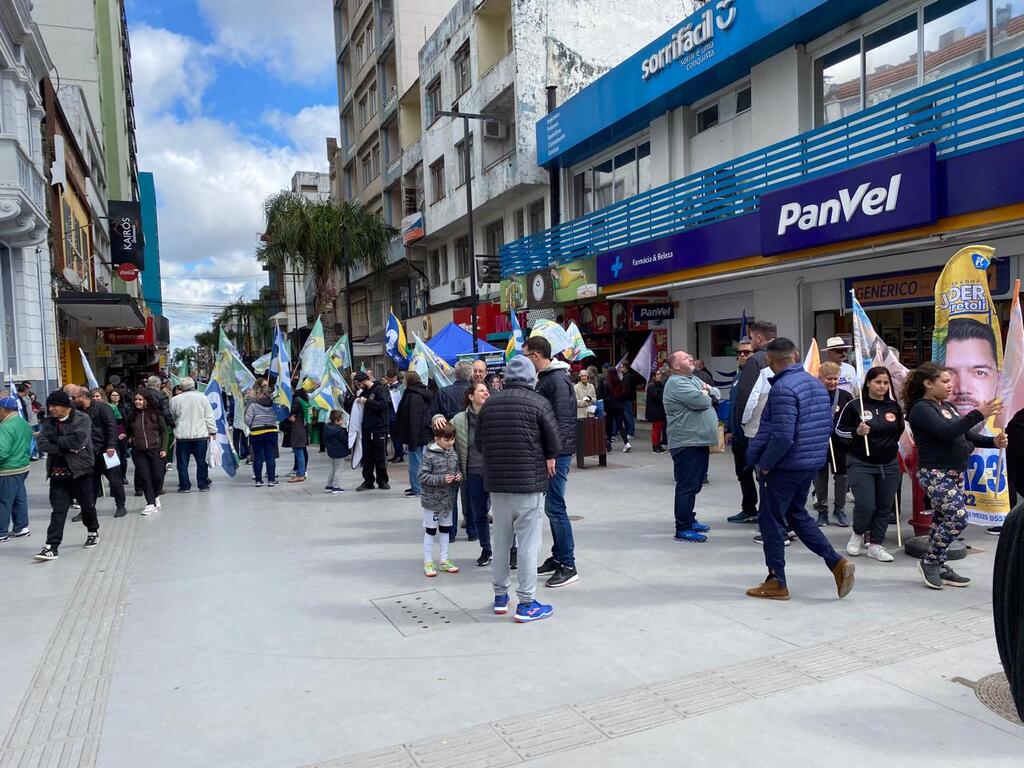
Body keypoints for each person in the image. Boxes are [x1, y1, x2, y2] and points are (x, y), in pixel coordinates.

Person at [745, 338, 856, 601]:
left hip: (785, 466)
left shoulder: (783, 389)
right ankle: (835, 562)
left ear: (770, 361)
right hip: (807, 464)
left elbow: (782, 435)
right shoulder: (816, 386)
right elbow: (824, 428)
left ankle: (776, 581)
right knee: (797, 515)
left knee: (771, 521)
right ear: (795, 356)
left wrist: (766, 465)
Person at [904, 362, 1006, 589]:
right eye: (945, 381)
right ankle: (930, 561)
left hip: (955, 473)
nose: (950, 386)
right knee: (958, 517)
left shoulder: (947, 407)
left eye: (950, 381)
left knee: (940, 520)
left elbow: (966, 436)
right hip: (935, 473)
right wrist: (978, 413)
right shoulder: (921, 409)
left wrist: (993, 442)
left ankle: (939, 564)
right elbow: (947, 432)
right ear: (928, 384)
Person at [476, 356, 560, 622]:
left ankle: (501, 597)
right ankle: (527, 603)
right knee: (527, 544)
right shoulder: (539, 403)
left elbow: (479, 443)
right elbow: (555, 444)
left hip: (497, 486)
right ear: (530, 377)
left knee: (500, 542)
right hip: (529, 485)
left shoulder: (489, 405)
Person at [524, 336, 579, 589]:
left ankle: (568, 565)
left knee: (556, 508)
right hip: (553, 452)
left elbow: (562, 421)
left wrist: (552, 454)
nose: (524, 360)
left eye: (526, 355)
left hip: (557, 454)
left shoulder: (555, 380)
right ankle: (558, 557)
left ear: (536, 355)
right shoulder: (548, 378)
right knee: (552, 507)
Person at [836, 366, 903, 562]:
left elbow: (898, 431)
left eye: (885, 383)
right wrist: (857, 432)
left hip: (889, 464)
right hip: (861, 462)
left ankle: (876, 544)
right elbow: (839, 430)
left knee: (884, 506)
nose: (882, 386)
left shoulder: (894, 407)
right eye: (877, 382)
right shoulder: (856, 406)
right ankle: (858, 533)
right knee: (866, 505)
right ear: (868, 383)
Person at [33, 391, 98, 561]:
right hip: (57, 473)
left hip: (80, 471)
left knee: (87, 506)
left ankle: (93, 531)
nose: (51, 409)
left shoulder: (82, 419)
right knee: (58, 510)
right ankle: (51, 546)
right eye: (49, 406)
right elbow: (42, 444)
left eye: (55, 406)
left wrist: (56, 440)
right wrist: (65, 447)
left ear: (66, 406)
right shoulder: (49, 423)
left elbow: (78, 442)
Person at [663, 351, 720, 543]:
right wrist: (706, 392)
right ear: (676, 366)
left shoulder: (691, 379)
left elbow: (717, 393)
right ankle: (683, 528)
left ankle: (689, 518)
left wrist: (707, 391)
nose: (690, 358)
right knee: (687, 486)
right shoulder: (676, 383)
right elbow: (704, 400)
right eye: (685, 358)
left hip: (698, 441)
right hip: (686, 442)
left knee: (695, 484)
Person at [731, 322, 778, 523]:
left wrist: (741, 425)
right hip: (776, 428)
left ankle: (771, 520)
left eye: (751, 338)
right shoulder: (785, 358)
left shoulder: (757, 361)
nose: (744, 355)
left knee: (764, 477)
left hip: (755, 430)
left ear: (758, 338)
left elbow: (746, 398)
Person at [452, 381, 493, 566]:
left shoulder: (495, 414)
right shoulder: (460, 419)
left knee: (504, 515)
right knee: (479, 514)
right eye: (481, 390)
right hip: (473, 473)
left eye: (487, 390)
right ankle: (486, 549)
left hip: (496, 473)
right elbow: (443, 430)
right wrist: (436, 416)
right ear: (470, 396)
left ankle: (512, 550)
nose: (486, 393)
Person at [74, 387, 127, 518]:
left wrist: (111, 446)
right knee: (90, 484)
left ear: (84, 397)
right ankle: (87, 510)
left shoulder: (103, 408)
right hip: (89, 453)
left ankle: (121, 506)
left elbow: (111, 427)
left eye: (75, 398)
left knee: (115, 480)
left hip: (107, 451)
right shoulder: (77, 411)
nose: (73, 400)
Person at [417, 421, 462, 577]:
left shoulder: (453, 454)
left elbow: (458, 471)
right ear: (437, 439)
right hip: (432, 501)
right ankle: (428, 561)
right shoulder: (429, 455)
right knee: (430, 531)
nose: (450, 443)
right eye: (446, 440)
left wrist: (458, 476)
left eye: (452, 440)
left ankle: (444, 559)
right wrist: (441, 479)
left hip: (447, 501)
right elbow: (422, 476)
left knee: (445, 530)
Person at [812, 362, 853, 527]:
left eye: (836, 379)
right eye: (829, 379)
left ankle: (839, 509)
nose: (833, 382)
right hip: (819, 443)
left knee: (842, 477)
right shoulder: (813, 395)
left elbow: (852, 419)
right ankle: (822, 512)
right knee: (820, 478)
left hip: (841, 444)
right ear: (820, 378)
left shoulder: (845, 397)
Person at [727, 339, 758, 523]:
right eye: (740, 353)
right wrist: (729, 429)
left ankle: (768, 514)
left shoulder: (758, 376)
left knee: (761, 475)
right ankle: (749, 509)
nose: (743, 355)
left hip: (754, 435)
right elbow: (734, 406)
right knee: (743, 474)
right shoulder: (737, 377)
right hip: (738, 437)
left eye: (748, 352)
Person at [168, 377, 215, 492]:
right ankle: (202, 484)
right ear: (193, 385)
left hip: (182, 436)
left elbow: (172, 416)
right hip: (200, 435)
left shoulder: (175, 400)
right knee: (201, 461)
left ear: (181, 387)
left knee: (182, 463)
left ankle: (185, 486)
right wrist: (212, 431)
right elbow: (209, 416)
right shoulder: (202, 398)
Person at [126, 391, 168, 515]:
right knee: (144, 477)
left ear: (146, 401)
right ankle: (150, 503)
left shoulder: (156, 415)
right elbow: (129, 431)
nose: (137, 402)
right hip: (139, 451)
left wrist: (164, 449)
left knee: (158, 476)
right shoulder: (132, 416)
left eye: (140, 399)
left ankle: (155, 496)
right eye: (136, 399)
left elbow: (164, 432)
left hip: (155, 449)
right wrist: (127, 436)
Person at [394, 371, 434, 497]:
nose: (403, 381)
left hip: (416, 435)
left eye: (405, 379)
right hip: (422, 434)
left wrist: (413, 438)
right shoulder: (420, 393)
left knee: (415, 462)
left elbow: (414, 418)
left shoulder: (413, 395)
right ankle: (417, 486)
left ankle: (417, 488)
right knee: (418, 461)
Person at [0, 395, 32, 542]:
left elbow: (2, 451)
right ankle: (21, 527)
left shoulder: (5, 427)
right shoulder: (23, 423)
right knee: (19, 498)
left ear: (3, 410)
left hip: (7, 469)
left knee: (3, 501)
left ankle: (2, 532)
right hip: (22, 467)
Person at [354, 370, 390, 491]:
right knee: (367, 456)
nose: (359, 387)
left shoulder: (379, 389)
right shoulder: (364, 392)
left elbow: (383, 406)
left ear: (364, 381)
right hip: (366, 428)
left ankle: (382, 481)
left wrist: (367, 402)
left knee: (380, 456)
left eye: (359, 384)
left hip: (379, 428)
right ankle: (368, 480)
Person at [244, 386, 279, 487]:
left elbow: (247, 419)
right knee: (270, 456)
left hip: (257, 433)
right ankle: (271, 480)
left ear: (262, 394)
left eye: (258, 393)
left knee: (258, 457)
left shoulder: (253, 405)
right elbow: (278, 416)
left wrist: (252, 426)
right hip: (271, 432)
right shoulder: (274, 405)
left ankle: (258, 480)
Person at [603, 366, 630, 451]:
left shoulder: (607, 383)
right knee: (620, 425)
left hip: (610, 407)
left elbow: (605, 396)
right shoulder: (619, 382)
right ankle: (626, 443)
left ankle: (609, 445)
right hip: (619, 405)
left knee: (609, 426)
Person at [322, 409, 349, 493]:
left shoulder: (327, 428)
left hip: (331, 451)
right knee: (339, 469)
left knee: (333, 468)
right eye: (341, 419)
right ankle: (336, 486)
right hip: (339, 451)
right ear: (337, 420)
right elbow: (345, 440)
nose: (343, 421)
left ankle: (329, 485)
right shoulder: (339, 431)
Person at [286, 390, 309, 483]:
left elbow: (290, 411)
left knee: (298, 450)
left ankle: (300, 474)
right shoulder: (304, 400)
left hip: (297, 428)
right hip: (302, 428)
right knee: (301, 450)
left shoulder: (297, 400)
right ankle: (302, 473)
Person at [645, 369, 667, 452]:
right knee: (656, 429)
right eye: (658, 374)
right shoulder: (651, 386)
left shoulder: (660, 385)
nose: (660, 375)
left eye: (660, 374)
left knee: (659, 428)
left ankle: (658, 444)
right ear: (653, 377)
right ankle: (655, 446)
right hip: (655, 411)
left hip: (660, 410)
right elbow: (658, 396)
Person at [385, 371, 405, 464]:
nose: (389, 378)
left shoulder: (399, 386)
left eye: (391, 376)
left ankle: (400, 455)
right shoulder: (387, 386)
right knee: (393, 436)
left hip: (395, 414)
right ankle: (397, 454)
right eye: (388, 376)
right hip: (390, 414)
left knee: (396, 436)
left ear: (396, 377)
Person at [107, 389, 128, 469]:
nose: (115, 397)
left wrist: (126, 433)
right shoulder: (107, 407)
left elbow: (127, 421)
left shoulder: (124, 407)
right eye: (113, 395)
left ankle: (123, 475)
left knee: (123, 456)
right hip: (111, 432)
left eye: (117, 395)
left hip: (122, 433)